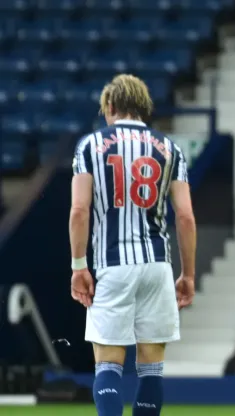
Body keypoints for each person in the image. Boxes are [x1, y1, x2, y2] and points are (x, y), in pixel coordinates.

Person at [69, 74, 196, 416]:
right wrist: (188, 275)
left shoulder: (91, 146)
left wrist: (79, 265)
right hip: (157, 265)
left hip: (113, 264)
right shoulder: (171, 148)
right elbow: (184, 216)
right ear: (144, 107)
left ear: (109, 107)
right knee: (151, 367)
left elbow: (79, 210)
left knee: (108, 364)